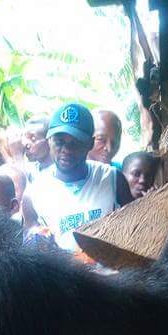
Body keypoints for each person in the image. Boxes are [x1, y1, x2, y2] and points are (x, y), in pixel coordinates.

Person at [23, 103, 132, 251]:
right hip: (64, 274)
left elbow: (134, 232)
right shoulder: (33, 194)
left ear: (90, 143)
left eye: (76, 143)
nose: (66, 150)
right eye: (59, 142)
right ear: (49, 141)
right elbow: (31, 243)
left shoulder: (112, 179)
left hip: (112, 273)